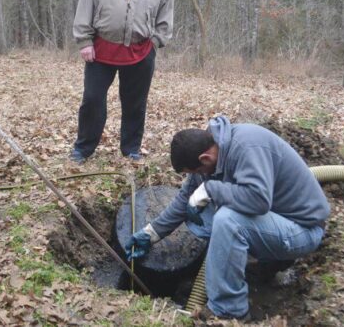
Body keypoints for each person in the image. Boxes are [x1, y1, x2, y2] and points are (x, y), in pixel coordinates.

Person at [125, 116, 330, 320]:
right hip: (275, 222)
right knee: (206, 214)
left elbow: (259, 200)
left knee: (227, 220)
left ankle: (228, 311)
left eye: (196, 172)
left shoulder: (247, 147)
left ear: (204, 159)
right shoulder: (210, 151)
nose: (198, 176)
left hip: (302, 230)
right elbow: (185, 199)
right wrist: (151, 233)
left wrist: (211, 188)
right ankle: (263, 267)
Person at [70, 0, 174, 163]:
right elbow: (86, 2)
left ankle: (131, 150)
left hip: (140, 51)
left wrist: (157, 42)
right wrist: (84, 41)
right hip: (101, 48)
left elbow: (167, 10)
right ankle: (83, 149)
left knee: (135, 104)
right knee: (92, 100)